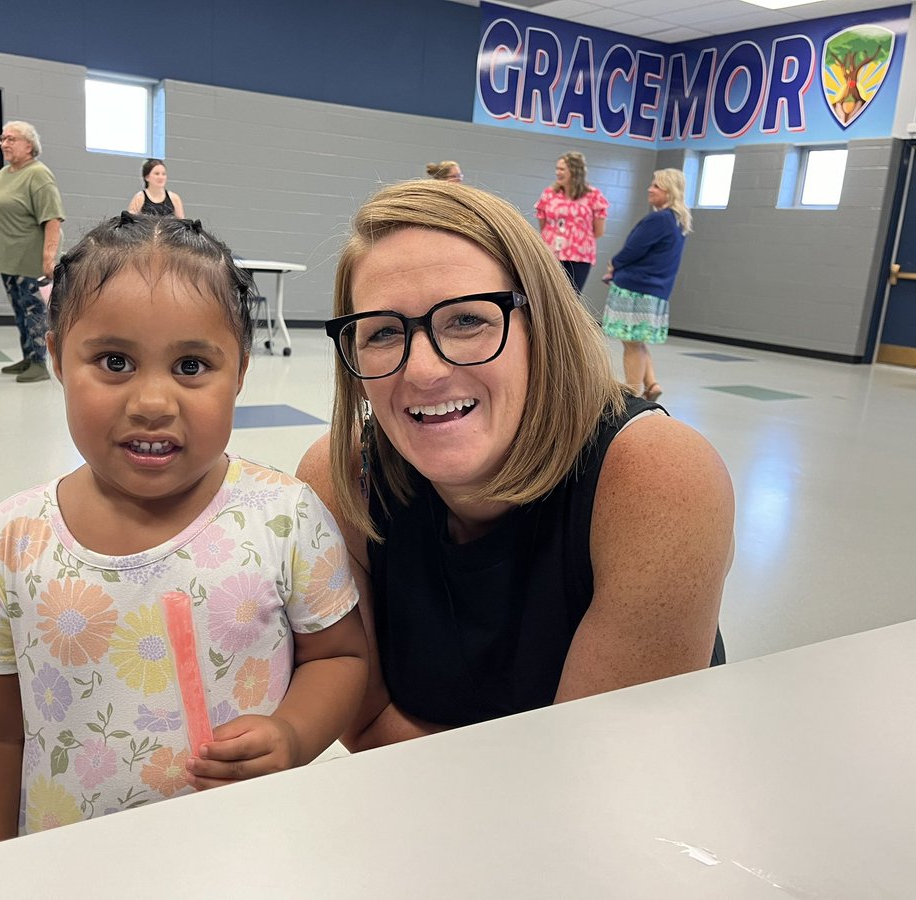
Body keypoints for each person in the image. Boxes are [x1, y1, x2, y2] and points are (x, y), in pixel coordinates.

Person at [0, 213, 367, 850]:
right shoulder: (8, 543)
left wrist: (293, 734)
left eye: (192, 367)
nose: (152, 401)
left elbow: (338, 656)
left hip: (250, 847)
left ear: (241, 374)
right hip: (72, 862)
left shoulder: (286, 517)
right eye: (115, 361)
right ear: (58, 356)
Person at [296, 179, 732, 752]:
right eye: (382, 332)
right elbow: (367, 721)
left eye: (467, 321)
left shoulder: (657, 477)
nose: (423, 371)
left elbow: (597, 765)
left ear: (541, 326)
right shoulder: (342, 481)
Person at [0, 121, 65, 383]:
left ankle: (40, 363)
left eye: (11, 139)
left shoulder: (38, 174)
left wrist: (48, 258)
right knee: (19, 309)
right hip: (7, 259)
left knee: (33, 310)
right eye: (2, 139)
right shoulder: (5, 173)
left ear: (29, 146)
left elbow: (52, 218)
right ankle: (28, 356)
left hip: (27, 257)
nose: (5, 144)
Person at [601, 169, 692, 402]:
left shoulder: (658, 219)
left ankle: (630, 395)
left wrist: (614, 264)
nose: (650, 189)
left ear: (670, 192)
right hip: (656, 291)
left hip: (635, 289)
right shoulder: (678, 220)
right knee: (637, 339)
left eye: (657, 186)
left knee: (631, 343)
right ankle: (651, 383)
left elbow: (633, 249)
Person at [533, 151, 609, 294]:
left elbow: (598, 231)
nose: (557, 172)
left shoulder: (593, 196)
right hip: (551, 253)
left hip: (579, 257)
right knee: (546, 295)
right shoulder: (549, 193)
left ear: (575, 171)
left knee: (571, 297)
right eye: (557, 169)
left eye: (562, 169)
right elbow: (543, 224)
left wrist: (575, 237)